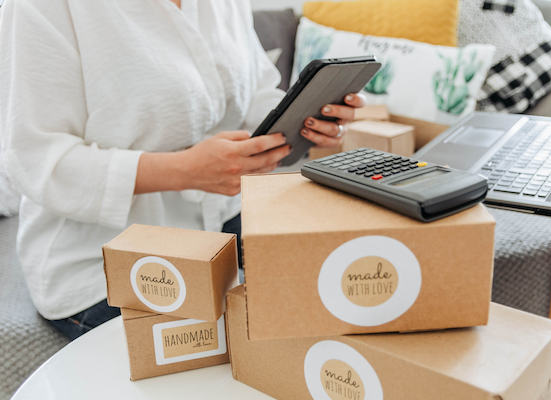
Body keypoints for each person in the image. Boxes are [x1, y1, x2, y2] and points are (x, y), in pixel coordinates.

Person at [0, 0, 365, 340]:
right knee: (270, 344)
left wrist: (306, 122)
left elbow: (254, 94)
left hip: (220, 219)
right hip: (105, 261)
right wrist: (184, 171)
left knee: (346, 288)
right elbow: (36, 161)